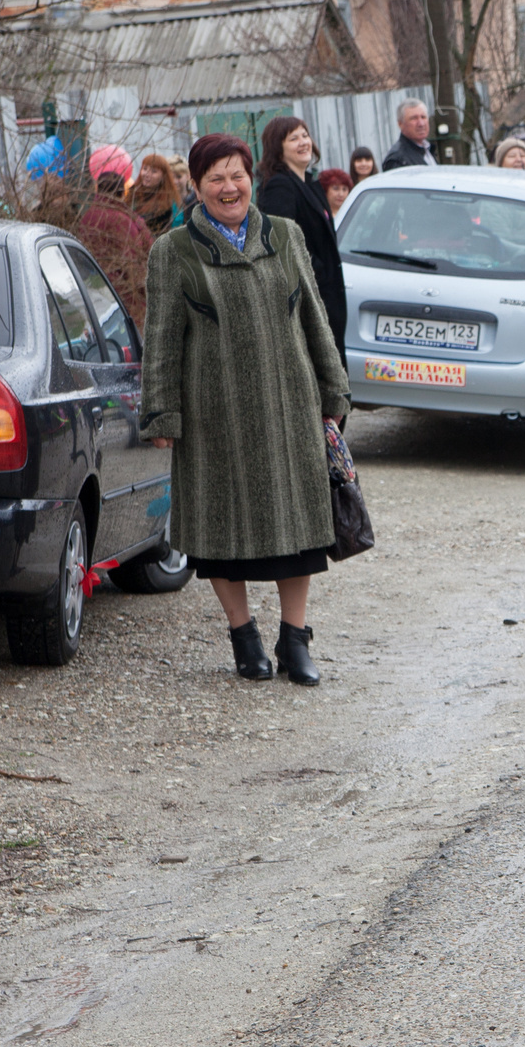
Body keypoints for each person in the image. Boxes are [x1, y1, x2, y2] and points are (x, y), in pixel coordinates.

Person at [139, 133, 353, 688]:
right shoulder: (174, 251)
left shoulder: (285, 235)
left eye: (237, 175)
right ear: (197, 186)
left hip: (290, 408)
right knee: (218, 536)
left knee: (303, 532)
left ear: (251, 178)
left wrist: (334, 392)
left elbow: (315, 320)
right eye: (216, 178)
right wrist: (161, 413)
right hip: (217, 418)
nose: (229, 187)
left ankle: (295, 638)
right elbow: (162, 338)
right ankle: (244, 636)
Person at [257, 116, 348, 353]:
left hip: (326, 294)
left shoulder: (310, 184)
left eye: (305, 135)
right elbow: (281, 243)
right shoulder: (279, 186)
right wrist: (318, 273)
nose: (303, 142)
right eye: (294, 138)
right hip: (308, 297)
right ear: (278, 148)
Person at [75, 162, 153, 329]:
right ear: (121, 191)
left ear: (98, 189)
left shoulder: (88, 216)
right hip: (124, 297)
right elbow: (131, 263)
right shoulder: (122, 220)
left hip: (96, 291)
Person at [131, 154, 181, 232]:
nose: (147, 174)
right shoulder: (133, 194)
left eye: (153, 171)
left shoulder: (169, 202)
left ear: (163, 176)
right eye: (145, 169)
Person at [381, 101, 434, 171]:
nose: (421, 124)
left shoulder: (428, 149)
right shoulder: (397, 159)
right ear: (400, 124)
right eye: (414, 118)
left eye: (423, 117)